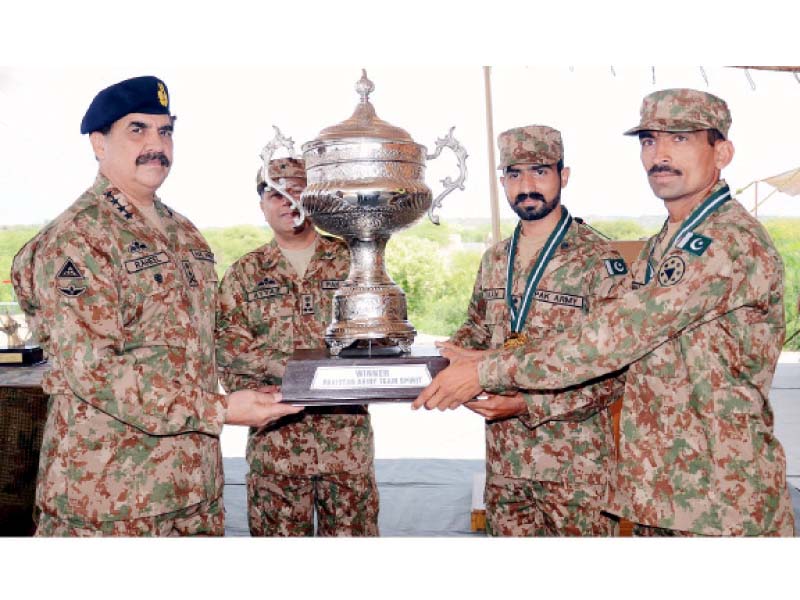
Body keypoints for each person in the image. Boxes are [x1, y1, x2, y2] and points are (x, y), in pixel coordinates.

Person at [413, 89, 794, 536]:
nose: (661, 154)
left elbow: (611, 338)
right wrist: (464, 361)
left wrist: (488, 372)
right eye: (649, 141)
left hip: (721, 502)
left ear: (722, 152)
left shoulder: (722, 242)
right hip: (664, 493)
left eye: (682, 139)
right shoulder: (662, 243)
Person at [11, 76, 301, 537]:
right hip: (111, 500)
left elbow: (211, 340)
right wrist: (221, 409)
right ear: (98, 142)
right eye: (137, 130)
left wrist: (303, 380)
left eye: (165, 131)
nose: (156, 145)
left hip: (193, 493)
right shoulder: (77, 239)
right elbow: (94, 370)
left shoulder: (184, 234)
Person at [445, 125, 629, 536]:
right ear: (502, 181)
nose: (526, 186)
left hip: (575, 473)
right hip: (505, 466)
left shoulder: (599, 261)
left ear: (563, 176)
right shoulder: (495, 259)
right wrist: (438, 362)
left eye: (539, 172)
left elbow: (618, 373)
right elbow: (476, 329)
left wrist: (529, 405)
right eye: (514, 174)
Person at [215, 158, 379, 536]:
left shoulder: (355, 261)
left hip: (346, 445)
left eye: (298, 188)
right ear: (262, 204)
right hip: (276, 450)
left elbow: (377, 339)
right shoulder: (245, 273)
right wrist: (305, 369)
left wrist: (287, 369)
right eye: (276, 192)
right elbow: (228, 352)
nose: (289, 200)